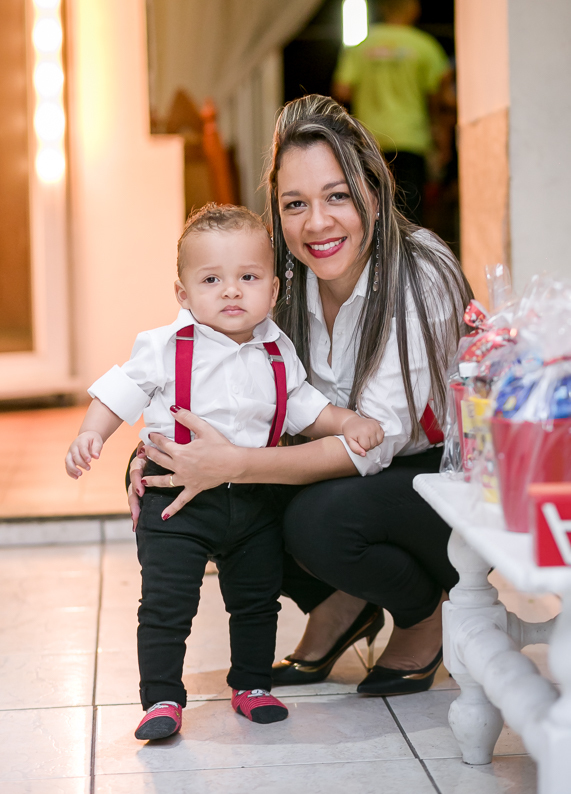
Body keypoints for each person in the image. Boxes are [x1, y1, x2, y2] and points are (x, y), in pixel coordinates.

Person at [128, 95, 472, 699]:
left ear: (375, 187)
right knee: (214, 502)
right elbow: (216, 378)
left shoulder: (419, 272)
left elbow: (375, 448)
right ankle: (347, 604)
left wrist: (233, 464)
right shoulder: (277, 283)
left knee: (314, 519)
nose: (317, 223)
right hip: (358, 476)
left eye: (337, 195)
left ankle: (422, 616)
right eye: (295, 204)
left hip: (437, 481)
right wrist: (162, 450)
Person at [65, 203, 384, 739]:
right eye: (212, 279)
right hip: (176, 501)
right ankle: (162, 698)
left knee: (255, 600)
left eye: (248, 277)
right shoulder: (166, 346)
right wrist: (90, 432)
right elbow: (120, 390)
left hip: (253, 501)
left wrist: (347, 421)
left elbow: (304, 407)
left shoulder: (277, 350)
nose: (232, 291)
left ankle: (252, 684)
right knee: (168, 603)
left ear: (274, 289)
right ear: (183, 293)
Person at [332, 0, 449, 224]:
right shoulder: (425, 46)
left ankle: (374, 259)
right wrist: (440, 141)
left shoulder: (361, 46)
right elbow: (439, 100)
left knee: (371, 212)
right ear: (413, 8)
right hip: (410, 140)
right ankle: (407, 260)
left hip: (369, 142)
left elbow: (342, 90)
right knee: (410, 215)